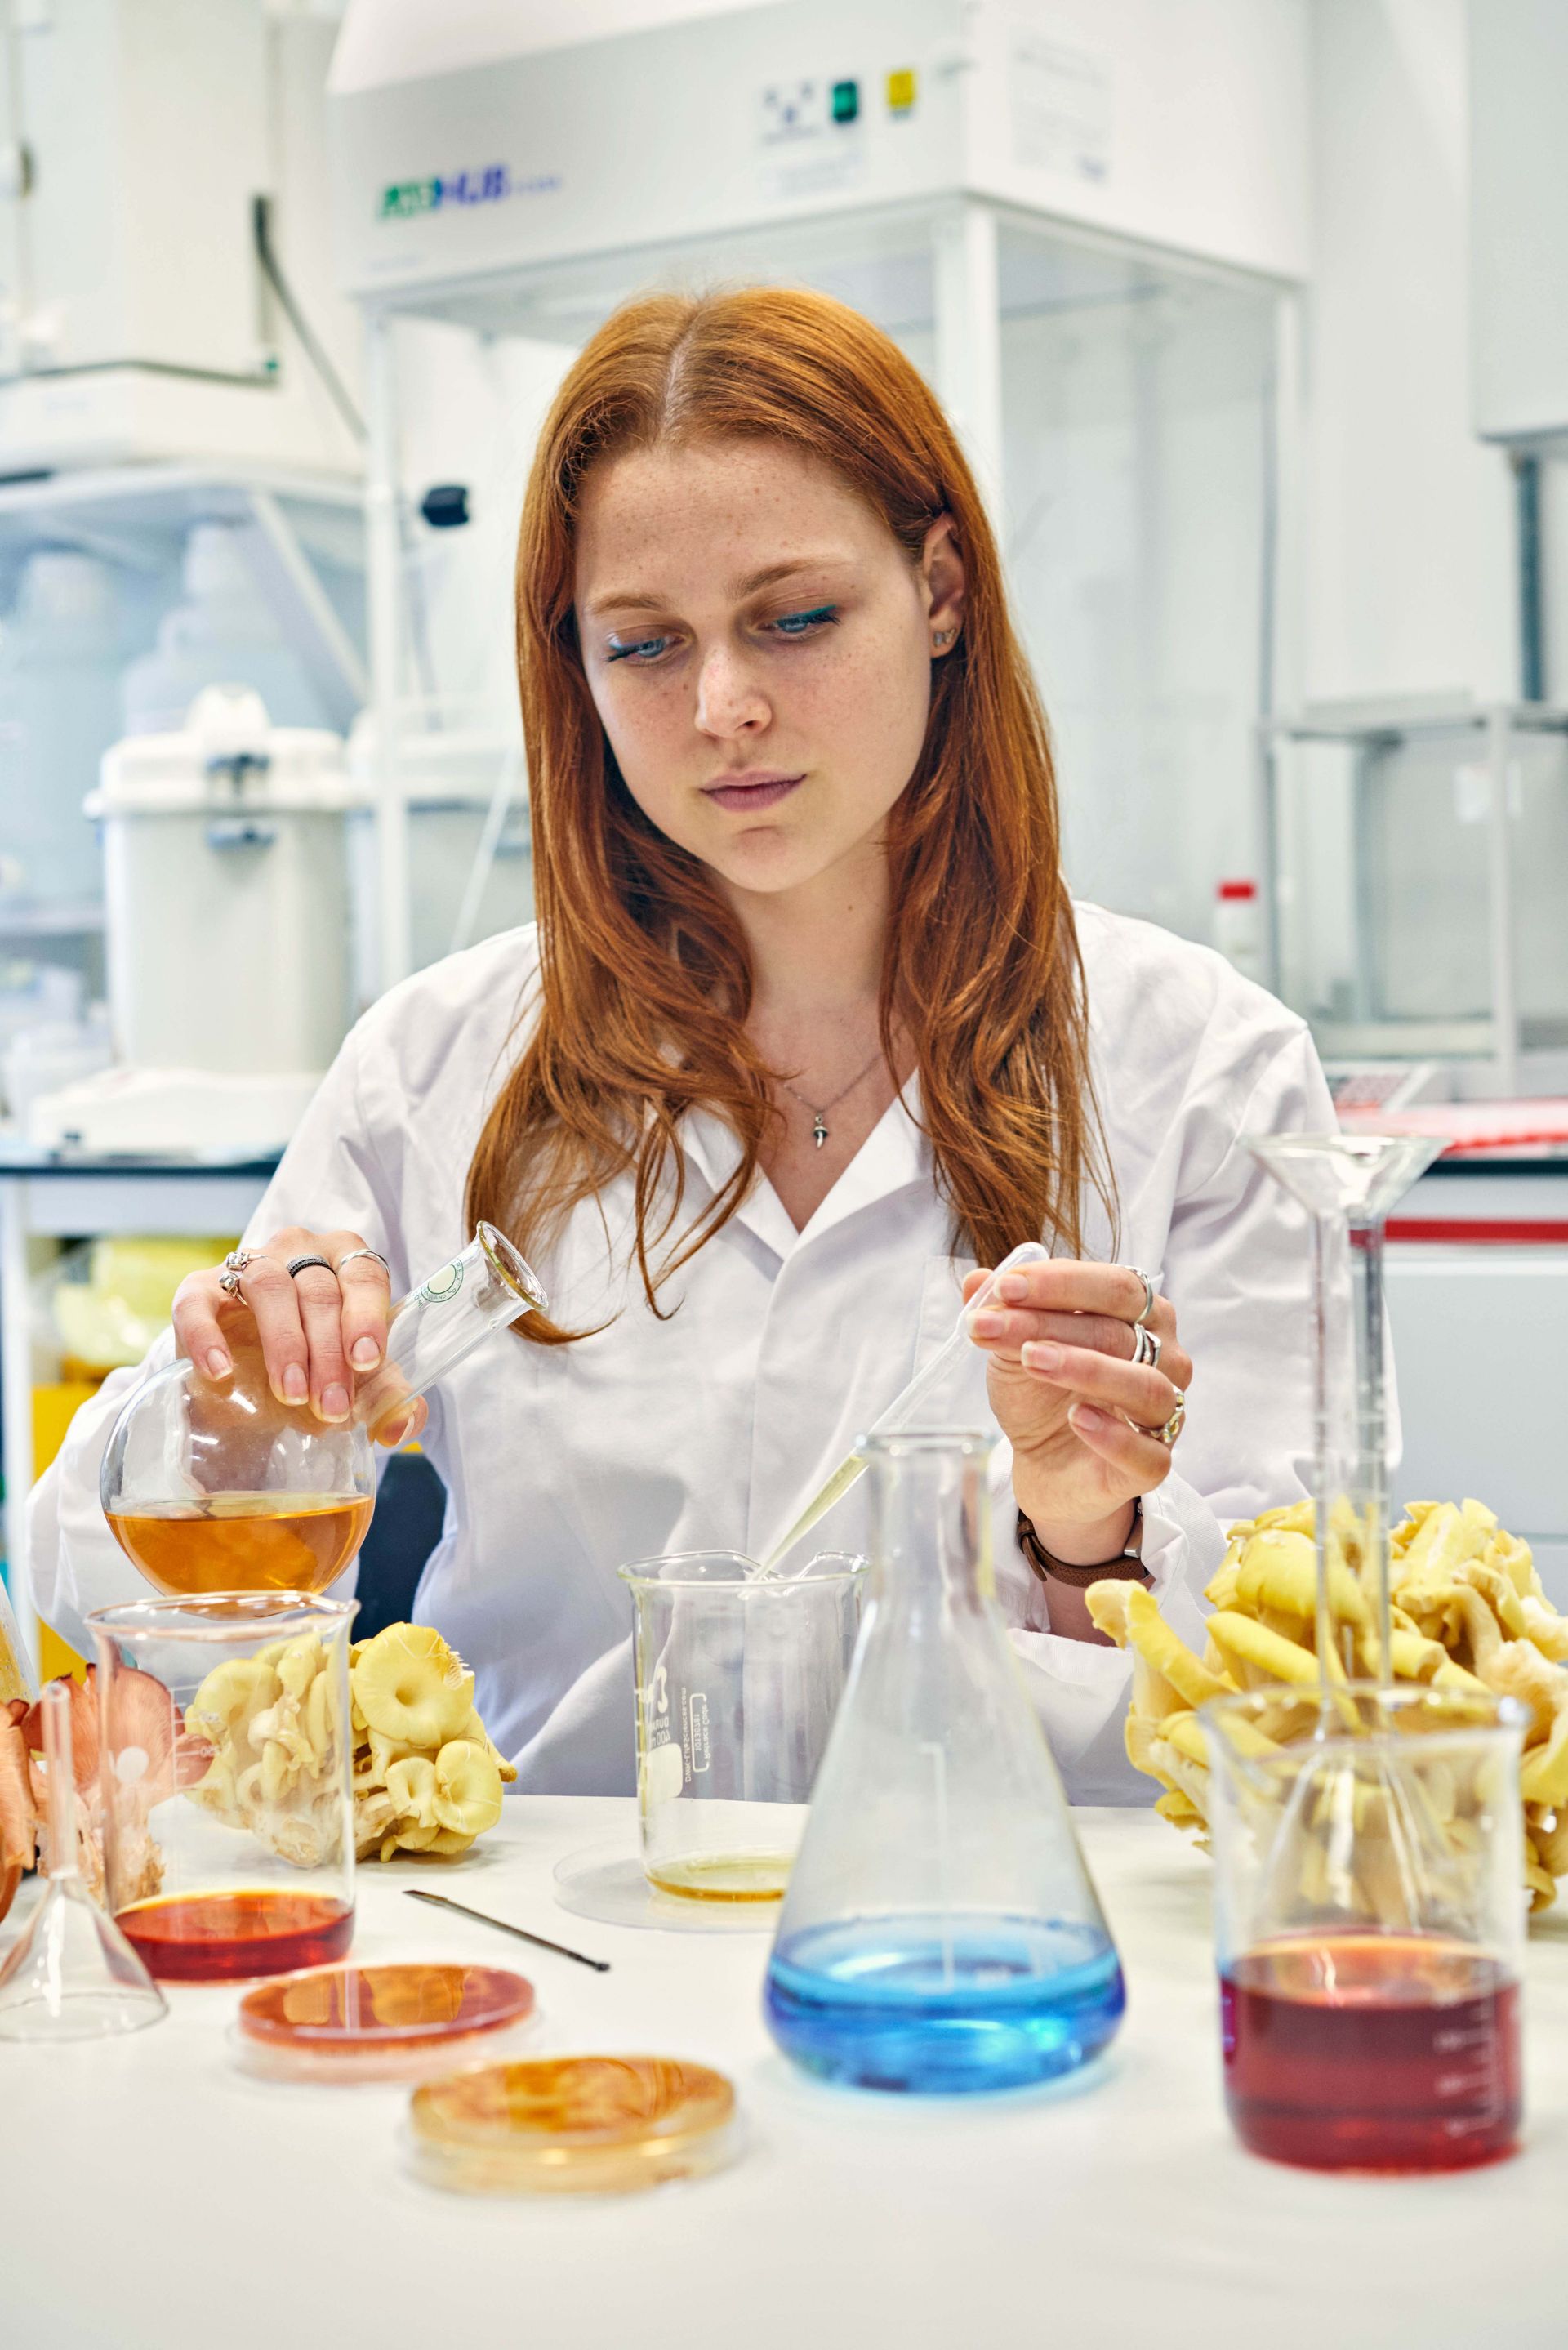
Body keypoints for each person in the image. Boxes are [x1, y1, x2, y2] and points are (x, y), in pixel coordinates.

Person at [31, 288, 1330, 1800]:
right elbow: (80, 1578)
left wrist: (1078, 1528)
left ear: (943, 590)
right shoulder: (437, 1068)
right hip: (551, 1949)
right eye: (646, 644)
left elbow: (1277, 1702)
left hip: (1009, 1964)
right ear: (572, 667)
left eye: (796, 618)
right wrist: (237, 1410)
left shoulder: (1199, 1073)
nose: (728, 706)